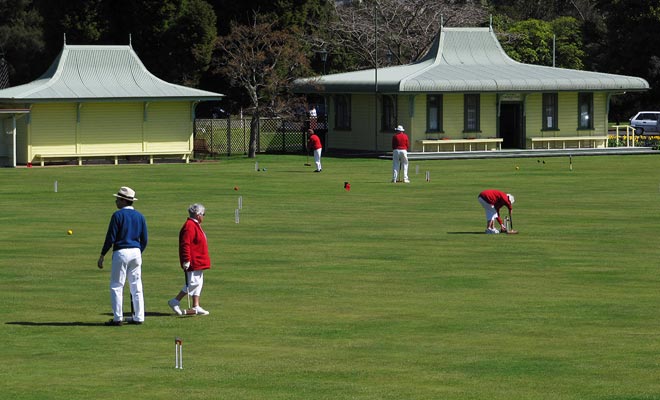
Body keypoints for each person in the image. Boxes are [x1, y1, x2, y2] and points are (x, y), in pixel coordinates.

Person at [98, 187, 148, 326]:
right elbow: (144, 239)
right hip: (136, 252)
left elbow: (110, 237)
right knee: (136, 285)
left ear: (123, 200)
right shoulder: (140, 216)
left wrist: (102, 254)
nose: (115, 201)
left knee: (116, 285)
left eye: (118, 199)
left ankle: (117, 317)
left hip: (121, 252)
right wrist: (138, 251)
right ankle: (139, 317)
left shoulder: (117, 215)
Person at [168, 203, 211, 316]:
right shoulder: (189, 226)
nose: (203, 217)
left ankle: (196, 305)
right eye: (203, 214)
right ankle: (175, 301)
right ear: (198, 215)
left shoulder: (195, 224)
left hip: (199, 260)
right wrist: (186, 260)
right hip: (193, 261)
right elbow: (185, 244)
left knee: (199, 283)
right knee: (193, 283)